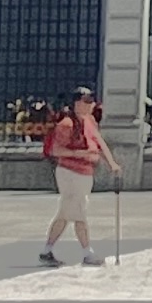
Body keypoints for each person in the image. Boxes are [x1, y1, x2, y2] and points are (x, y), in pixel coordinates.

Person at [38, 86, 110, 266]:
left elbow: (98, 143)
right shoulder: (67, 124)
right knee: (79, 213)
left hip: (84, 172)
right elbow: (56, 150)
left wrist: (111, 162)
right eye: (87, 101)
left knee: (65, 214)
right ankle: (87, 252)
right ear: (77, 103)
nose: (91, 104)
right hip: (70, 172)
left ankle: (47, 250)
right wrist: (81, 154)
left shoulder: (90, 121)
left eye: (92, 101)